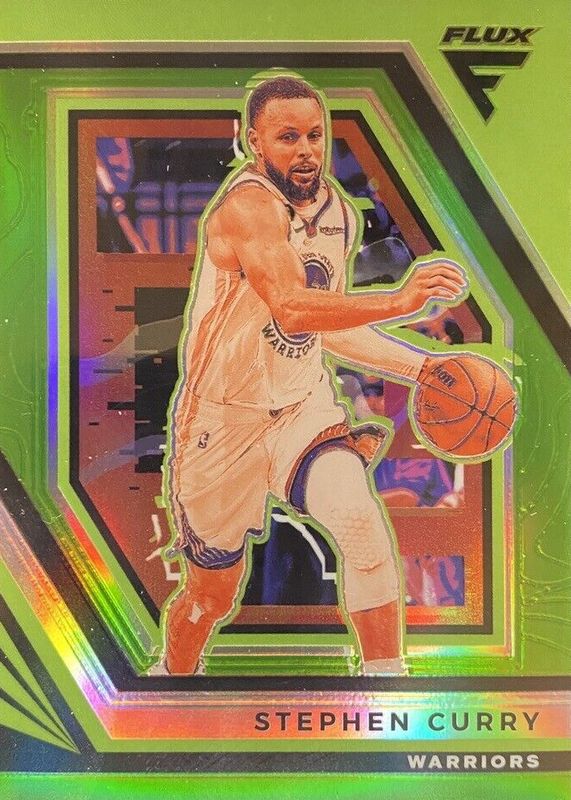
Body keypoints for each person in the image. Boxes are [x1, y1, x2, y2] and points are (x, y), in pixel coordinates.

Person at [159, 75, 467, 676]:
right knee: (211, 598)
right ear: (254, 142)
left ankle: (385, 689)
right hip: (222, 423)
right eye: (288, 137)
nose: (306, 150)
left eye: (315, 135)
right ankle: (171, 684)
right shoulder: (246, 208)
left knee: (360, 521)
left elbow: (329, 324)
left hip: (302, 408)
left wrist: (424, 367)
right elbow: (293, 308)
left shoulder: (337, 213)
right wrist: (401, 301)